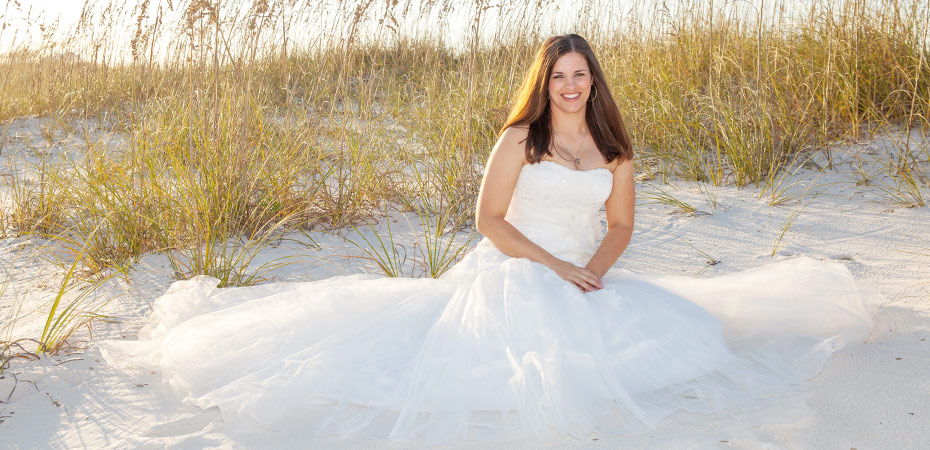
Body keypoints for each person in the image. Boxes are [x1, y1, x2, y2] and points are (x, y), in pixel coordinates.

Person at [101, 34, 873, 446]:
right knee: (493, 371)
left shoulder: (616, 152)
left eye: (582, 76)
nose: (572, 86)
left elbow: (623, 224)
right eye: (561, 76)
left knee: (691, 342)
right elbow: (489, 222)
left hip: (581, 269)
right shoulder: (520, 140)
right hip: (513, 267)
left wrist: (593, 272)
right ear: (546, 82)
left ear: (595, 84)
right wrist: (555, 265)